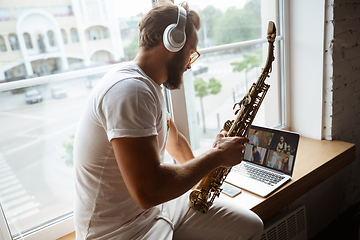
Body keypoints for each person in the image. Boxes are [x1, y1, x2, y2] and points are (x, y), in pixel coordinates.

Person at [73, 1, 263, 239]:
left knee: (251, 226)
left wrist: (208, 176)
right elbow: (148, 191)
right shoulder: (130, 91)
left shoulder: (149, 84)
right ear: (173, 41)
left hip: (152, 212)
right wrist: (217, 157)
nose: (189, 65)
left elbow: (175, 141)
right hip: (120, 231)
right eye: (191, 53)